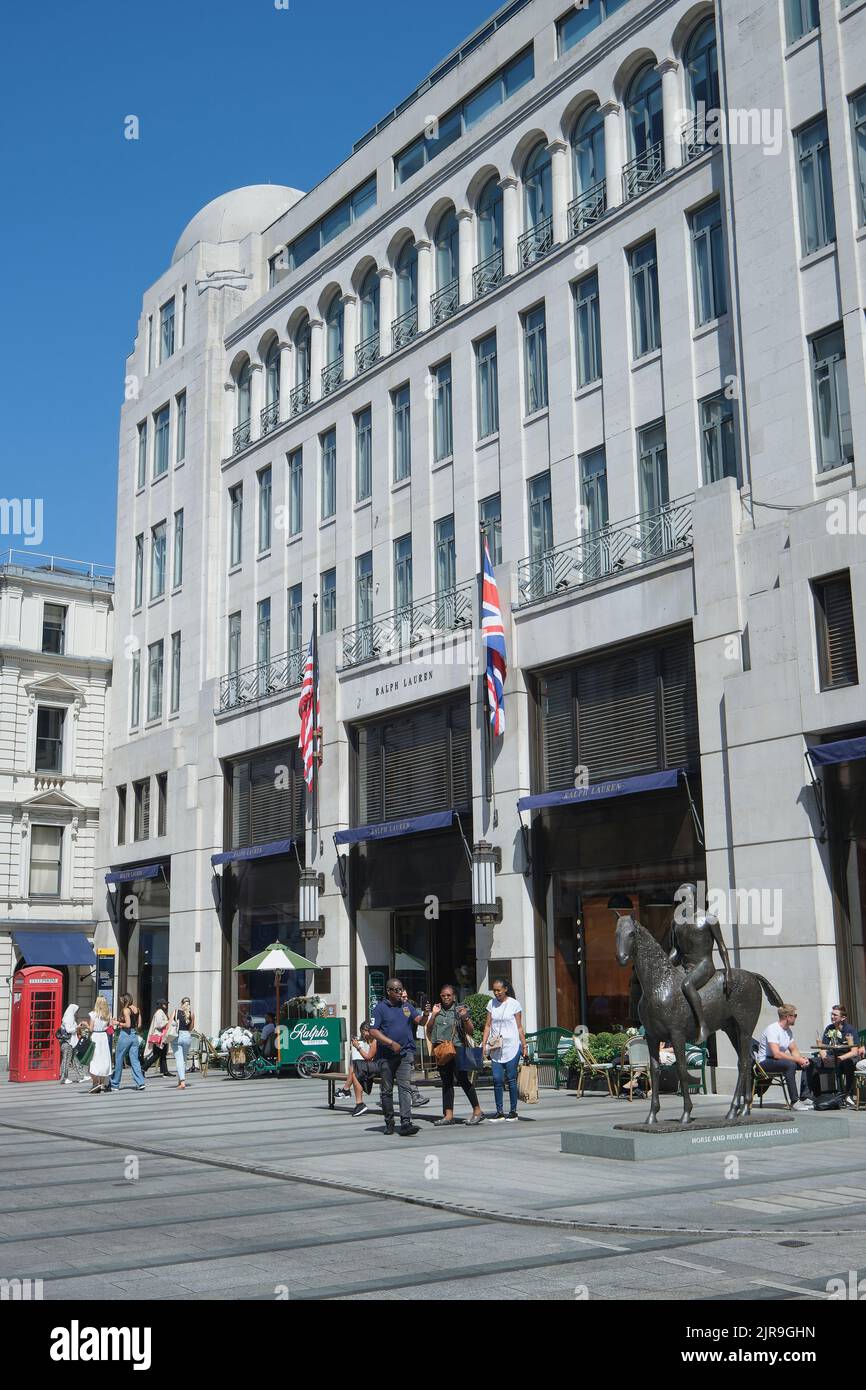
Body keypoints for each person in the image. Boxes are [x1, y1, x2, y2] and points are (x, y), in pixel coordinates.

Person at [369, 978, 430, 1136]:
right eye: (396, 990)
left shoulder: (406, 1006)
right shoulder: (380, 1008)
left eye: (401, 989)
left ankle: (406, 1122)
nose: (399, 992)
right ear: (388, 991)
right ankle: (389, 1122)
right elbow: (373, 1031)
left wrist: (426, 1014)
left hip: (405, 1053)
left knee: (405, 1087)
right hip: (386, 1055)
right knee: (387, 1090)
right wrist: (390, 1043)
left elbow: (420, 1022)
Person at [669, 897, 733, 1043]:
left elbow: (721, 946)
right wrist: (665, 966)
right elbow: (675, 950)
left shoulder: (709, 918)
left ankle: (702, 1025)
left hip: (704, 964)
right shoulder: (676, 922)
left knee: (687, 984)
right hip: (684, 966)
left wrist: (728, 971)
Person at [426, 984, 484, 1126]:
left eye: (448, 995)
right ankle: (448, 1115)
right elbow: (429, 1028)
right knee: (446, 1083)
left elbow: (470, 1031)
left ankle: (477, 1111)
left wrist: (465, 1018)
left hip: (457, 1048)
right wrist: (433, 1014)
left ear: (454, 997)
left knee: (463, 1080)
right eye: (443, 995)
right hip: (441, 1048)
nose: (446, 998)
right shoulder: (437, 1010)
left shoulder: (459, 1010)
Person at [481, 977, 528, 1122]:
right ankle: (499, 1111)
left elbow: (519, 1027)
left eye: (498, 990)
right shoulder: (491, 1004)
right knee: (497, 1079)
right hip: (496, 1047)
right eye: (494, 990)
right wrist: (484, 1043)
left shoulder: (514, 1004)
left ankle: (513, 1111)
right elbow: (488, 1025)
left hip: (512, 1046)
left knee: (511, 1078)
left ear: (505, 989)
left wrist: (524, 1045)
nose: (496, 993)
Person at [756, 1004, 814, 1110]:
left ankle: (805, 1096)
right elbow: (776, 1054)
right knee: (790, 1065)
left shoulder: (788, 1031)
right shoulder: (773, 1029)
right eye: (794, 1015)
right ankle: (794, 1101)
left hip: (778, 1060)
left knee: (809, 1062)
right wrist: (797, 1059)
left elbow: (794, 1050)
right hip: (765, 1062)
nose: (796, 1017)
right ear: (787, 1017)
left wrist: (802, 1060)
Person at [815, 1004, 861, 1108]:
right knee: (812, 1063)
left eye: (835, 1015)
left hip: (847, 1057)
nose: (832, 1017)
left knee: (848, 1063)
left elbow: (854, 1051)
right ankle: (810, 1097)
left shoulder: (850, 1030)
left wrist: (841, 1058)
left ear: (843, 1017)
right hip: (832, 1057)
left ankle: (847, 1094)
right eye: (832, 1014)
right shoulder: (829, 1028)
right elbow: (822, 1047)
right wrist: (824, 1058)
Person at [335, 1021, 378, 1116]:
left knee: (355, 1066)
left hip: (381, 1067)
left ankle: (347, 1090)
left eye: (364, 1033)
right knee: (354, 1069)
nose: (363, 1035)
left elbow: (368, 1057)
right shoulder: (371, 1040)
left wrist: (358, 1047)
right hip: (375, 1066)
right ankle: (358, 1103)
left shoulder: (376, 1040)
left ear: (369, 1031)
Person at [109, 994, 145, 1092]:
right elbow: (139, 1024)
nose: (121, 1002)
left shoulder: (126, 1010)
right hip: (134, 1036)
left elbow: (128, 1024)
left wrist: (118, 1023)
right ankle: (140, 1082)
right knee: (135, 1060)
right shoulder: (137, 1009)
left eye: (121, 1000)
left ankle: (115, 1084)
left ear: (125, 1000)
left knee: (119, 1058)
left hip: (125, 1035)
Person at [87, 995, 113, 1093]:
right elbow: (110, 1027)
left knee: (93, 1060)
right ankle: (102, 1084)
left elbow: (91, 1029)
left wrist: (85, 1024)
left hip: (95, 1037)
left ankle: (95, 1083)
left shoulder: (93, 1014)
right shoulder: (108, 1014)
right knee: (103, 1060)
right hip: (104, 1038)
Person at [142, 999, 170, 1076]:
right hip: (159, 1037)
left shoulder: (161, 1012)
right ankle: (143, 1068)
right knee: (156, 1055)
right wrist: (168, 1021)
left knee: (163, 1054)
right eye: (164, 1004)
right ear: (161, 1005)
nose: (166, 1005)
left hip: (162, 1036)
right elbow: (159, 1025)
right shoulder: (159, 1012)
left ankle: (165, 1071)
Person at [59, 1003, 84, 1084]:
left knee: (71, 1059)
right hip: (68, 1042)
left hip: (68, 1042)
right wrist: (77, 1027)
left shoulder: (67, 1016)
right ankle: (63, 1078)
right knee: (66, 1060)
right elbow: (69, 1030)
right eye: (76, 1011)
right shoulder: (69, 1017)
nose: (77, 1013)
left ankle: (82, 1075)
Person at [172, 997, 195, 1089]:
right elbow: (191, 1029)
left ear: (181, 1004)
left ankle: (182, 1082)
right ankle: (180, 1080)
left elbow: (169, 1025)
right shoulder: (192, 1014)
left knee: (179, 1060)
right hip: (187, 1037)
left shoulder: (176, 1012)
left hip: (177, 1037)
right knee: (184, 1060)